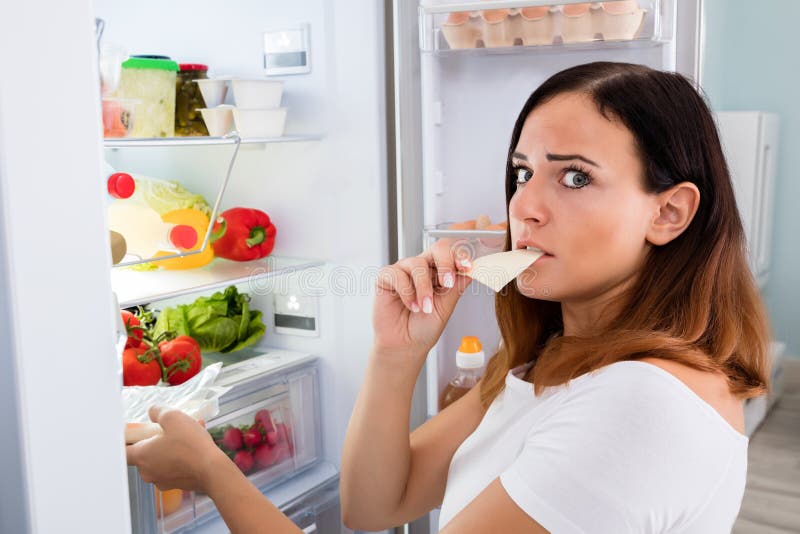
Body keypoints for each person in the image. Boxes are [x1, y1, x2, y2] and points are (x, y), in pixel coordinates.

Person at [127, 62, 771, 533]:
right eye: (523, 172)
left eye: (575, 177)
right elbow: (376, 504)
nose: (525, 207)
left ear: (670, 213)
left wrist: (213, 473)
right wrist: (396, 355)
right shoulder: (556, 356)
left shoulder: (640, 405)